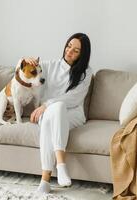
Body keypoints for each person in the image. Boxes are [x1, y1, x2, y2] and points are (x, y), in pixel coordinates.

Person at [24, 33, 92, 194]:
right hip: (48, 114)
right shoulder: (48, 66)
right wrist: (26, 61)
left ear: (82, 54)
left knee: (59, 107)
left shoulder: (86, 73)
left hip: (73, 114)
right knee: (51, 118)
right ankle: (60, 166)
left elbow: (74, 98)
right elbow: (22, 73)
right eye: (69, 46)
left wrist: (45, 105)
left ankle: (46, 179)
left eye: (76, 50)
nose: (69, 52)